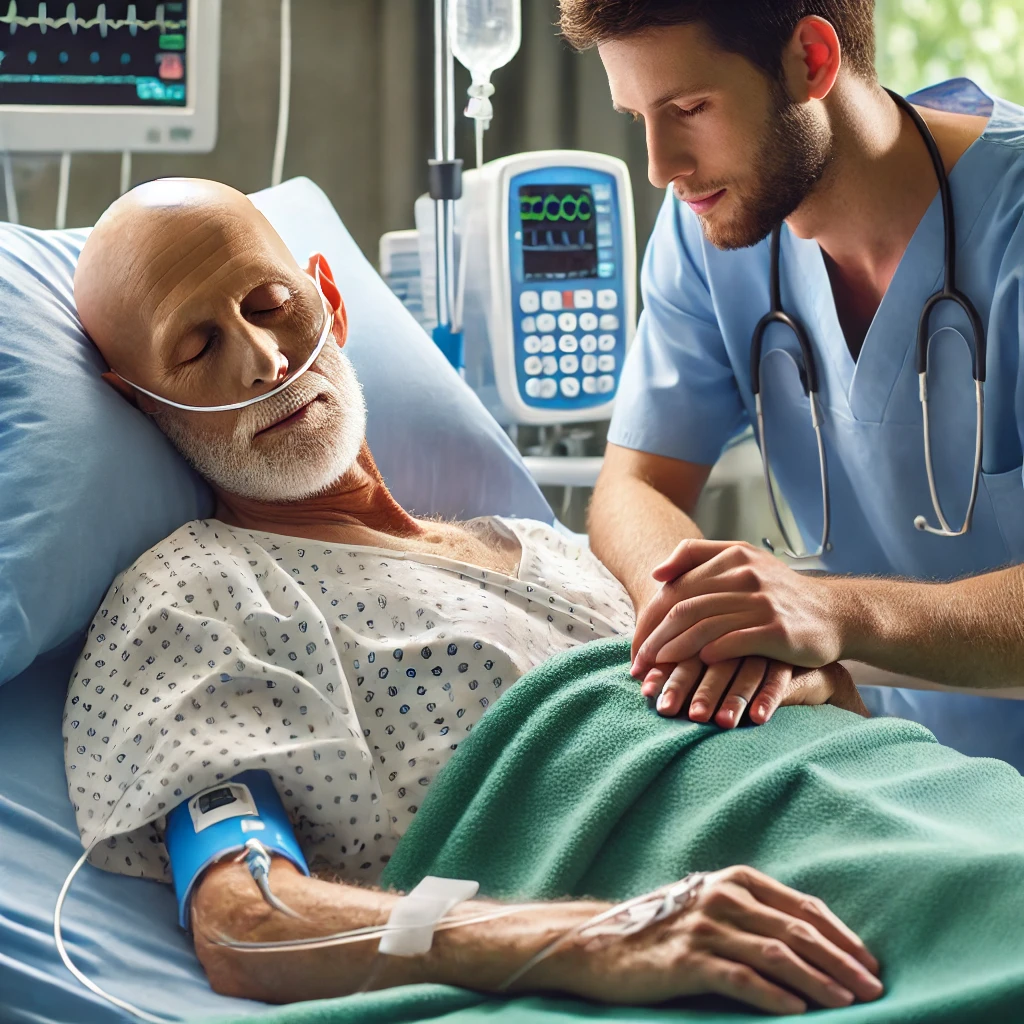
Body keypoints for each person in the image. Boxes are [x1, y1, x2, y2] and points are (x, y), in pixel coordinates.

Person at [63, 178, 877, 1014]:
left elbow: (842, 705)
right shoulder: (202, 597)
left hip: (887, 815)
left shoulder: (562, 552)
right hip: (776, 941)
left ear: (331, 302)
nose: (266, 361)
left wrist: (798, 678)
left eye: (272, 304)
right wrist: (596, 935)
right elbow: (248, 922)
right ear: (142, 401)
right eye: (197, 350)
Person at [563, 0, 1024, 733]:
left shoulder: (1013, 231)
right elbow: (633, 485)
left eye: (689, 107)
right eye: (637, 118)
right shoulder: (705, 231)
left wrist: (832, 610)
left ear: (812, 59)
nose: (660, 168)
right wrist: (710, 622)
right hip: (886, 766)